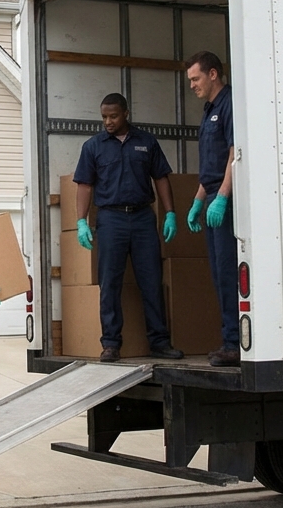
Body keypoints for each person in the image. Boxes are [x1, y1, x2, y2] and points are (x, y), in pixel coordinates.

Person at [73, 93, 184, 363]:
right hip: (110, 220)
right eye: (104, 117)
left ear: (126, 114)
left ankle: (159, 341)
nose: (108, 122)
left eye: (113, 116)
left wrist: (169, 213)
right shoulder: (93, 146)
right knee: (110, 283)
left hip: (143, 218)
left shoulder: (146, 142)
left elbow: (161, 178)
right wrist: (81, 221)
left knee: (151, 282)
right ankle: (110, 344)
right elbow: (85, 185)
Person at [185, 51, 239, 367]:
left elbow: (234, 152)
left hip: (224, 201)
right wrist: (197, 199)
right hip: (211, 197)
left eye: (196, 78)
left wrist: (222, 197)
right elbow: (211, 163)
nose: (192, 85)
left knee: (229, 273)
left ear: (213, 74)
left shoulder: (229, 104)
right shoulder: (209, 111)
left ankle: (234, 343)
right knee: (219, 275)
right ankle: (229, 339)